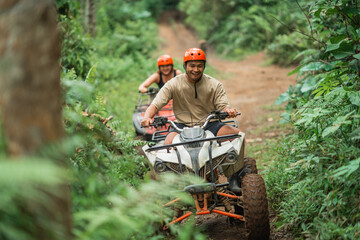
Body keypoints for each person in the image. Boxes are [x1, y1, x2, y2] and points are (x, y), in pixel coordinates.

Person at [141, 48, 240, 145]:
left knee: (238, 135)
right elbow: (155, 104)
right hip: (182, 126)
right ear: (185, 66)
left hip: (210, 124)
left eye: (199, 66)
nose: (196, 70)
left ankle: (241, 162)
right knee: (168, 145)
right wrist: (147, 117)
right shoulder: (173, 83)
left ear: (204, 66)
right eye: (192, 66)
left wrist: (228, 110)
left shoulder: (215, 84)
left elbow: (223, 105)